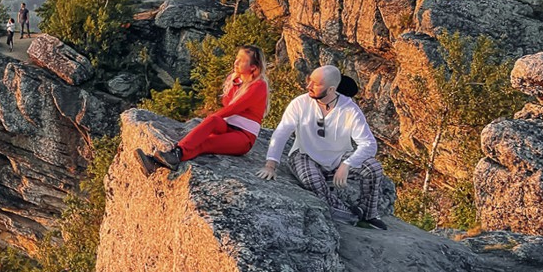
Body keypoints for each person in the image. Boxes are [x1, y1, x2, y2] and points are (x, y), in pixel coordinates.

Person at [256, 65, 387, 229]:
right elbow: (282, 132)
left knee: (373, 168)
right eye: (309, 81)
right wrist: (271, 164)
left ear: (331, 89)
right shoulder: (300, 103)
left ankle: (367, 215)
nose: (308, 86)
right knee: (311, 179)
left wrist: (347, 164)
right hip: (304, 155)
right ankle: (347, 214)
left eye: (315, 84)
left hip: (337, 159)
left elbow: (369, 144)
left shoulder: (349, 109)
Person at [138, 45, 268, 173]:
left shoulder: (259, 85)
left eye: (242, 60)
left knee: (205, 143)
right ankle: (166, 158)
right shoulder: (235, 80)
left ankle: (167, 158)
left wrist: (207, 120)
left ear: (253, 67)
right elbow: (226, 103)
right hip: (227, 126)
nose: (236, 62)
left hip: (243, 137)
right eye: (237, 58)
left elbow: (234, 108)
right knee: (212, 121)